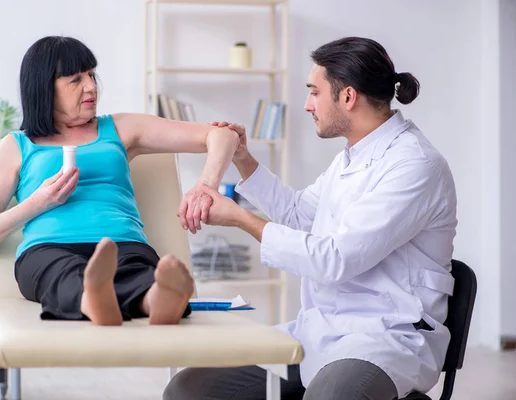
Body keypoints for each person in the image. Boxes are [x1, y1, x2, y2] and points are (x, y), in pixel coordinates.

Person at [165, 36, 457, 400]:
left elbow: (335, 260)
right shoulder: (351, 157)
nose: (306, 105)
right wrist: (243, 158)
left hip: (386, 338)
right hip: (322, 330)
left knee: (330, 395)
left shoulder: (415, 165)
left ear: (347, 97)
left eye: (314, 92)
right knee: (189, 389)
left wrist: (241, 219)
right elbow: (298, 215)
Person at [0, 36, 240, 326]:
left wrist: (206, 185)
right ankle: (95, 297)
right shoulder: (18, 146)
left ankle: (158, 300)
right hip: (49, 248)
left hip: (122, 244)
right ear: (44, 87)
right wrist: (37, 204)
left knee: (138, 273)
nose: (91, 86)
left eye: (91, 74)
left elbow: (222, 135)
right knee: (63, 273)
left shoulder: (121, 128)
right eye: (75, 79)